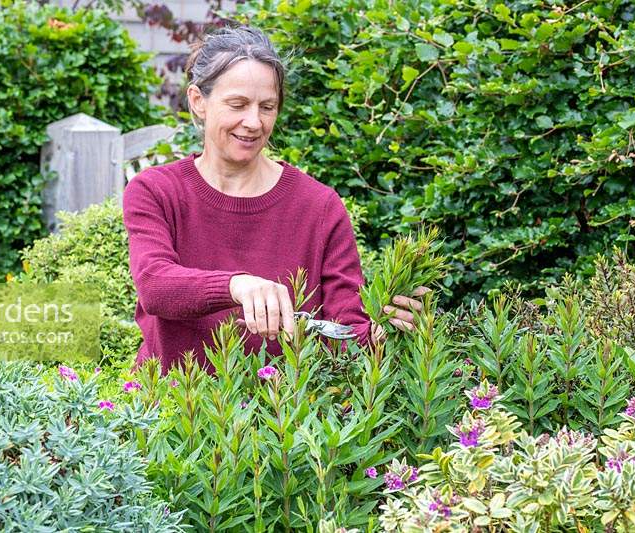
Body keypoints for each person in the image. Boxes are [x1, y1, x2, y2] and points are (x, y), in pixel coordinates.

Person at [123, 25, 426, 373]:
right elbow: (155, 285)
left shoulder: (319, 206)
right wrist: (237, 285)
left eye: (267, 107)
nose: (253, 122)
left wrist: (381, 330)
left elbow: (345, 331)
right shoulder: (156, 190)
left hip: (282, 417)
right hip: (173, 411)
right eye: (237, 104)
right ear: (198, 101)